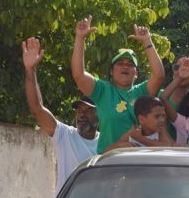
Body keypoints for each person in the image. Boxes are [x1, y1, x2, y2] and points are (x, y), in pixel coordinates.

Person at [70, 18, 165, 154]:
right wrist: (80, 37)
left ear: (136, 73)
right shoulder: (102, 90)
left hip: (140, 159)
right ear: (111, 71)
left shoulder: (141, 92)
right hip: (110, 162)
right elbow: (78, 74)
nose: (125, 66)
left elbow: (159, 76)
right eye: (120, 63)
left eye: (130, 64)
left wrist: (147, 41)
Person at [21, 37, 99, 194]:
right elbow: (37, 108)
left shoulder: (107, 143)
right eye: (79, 110)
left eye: (87, 110)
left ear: (100, 114)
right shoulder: (65, 136)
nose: (81, 114)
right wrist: (30, 71)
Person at [104, 95, 175, 151]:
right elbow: (106, 151)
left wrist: (140, 139)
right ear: (141, 119)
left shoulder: (161, 131)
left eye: (163, 115)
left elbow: (168, 148)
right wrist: (120, 146)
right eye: (157, 116)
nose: (162, 120)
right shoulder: (132, 134)